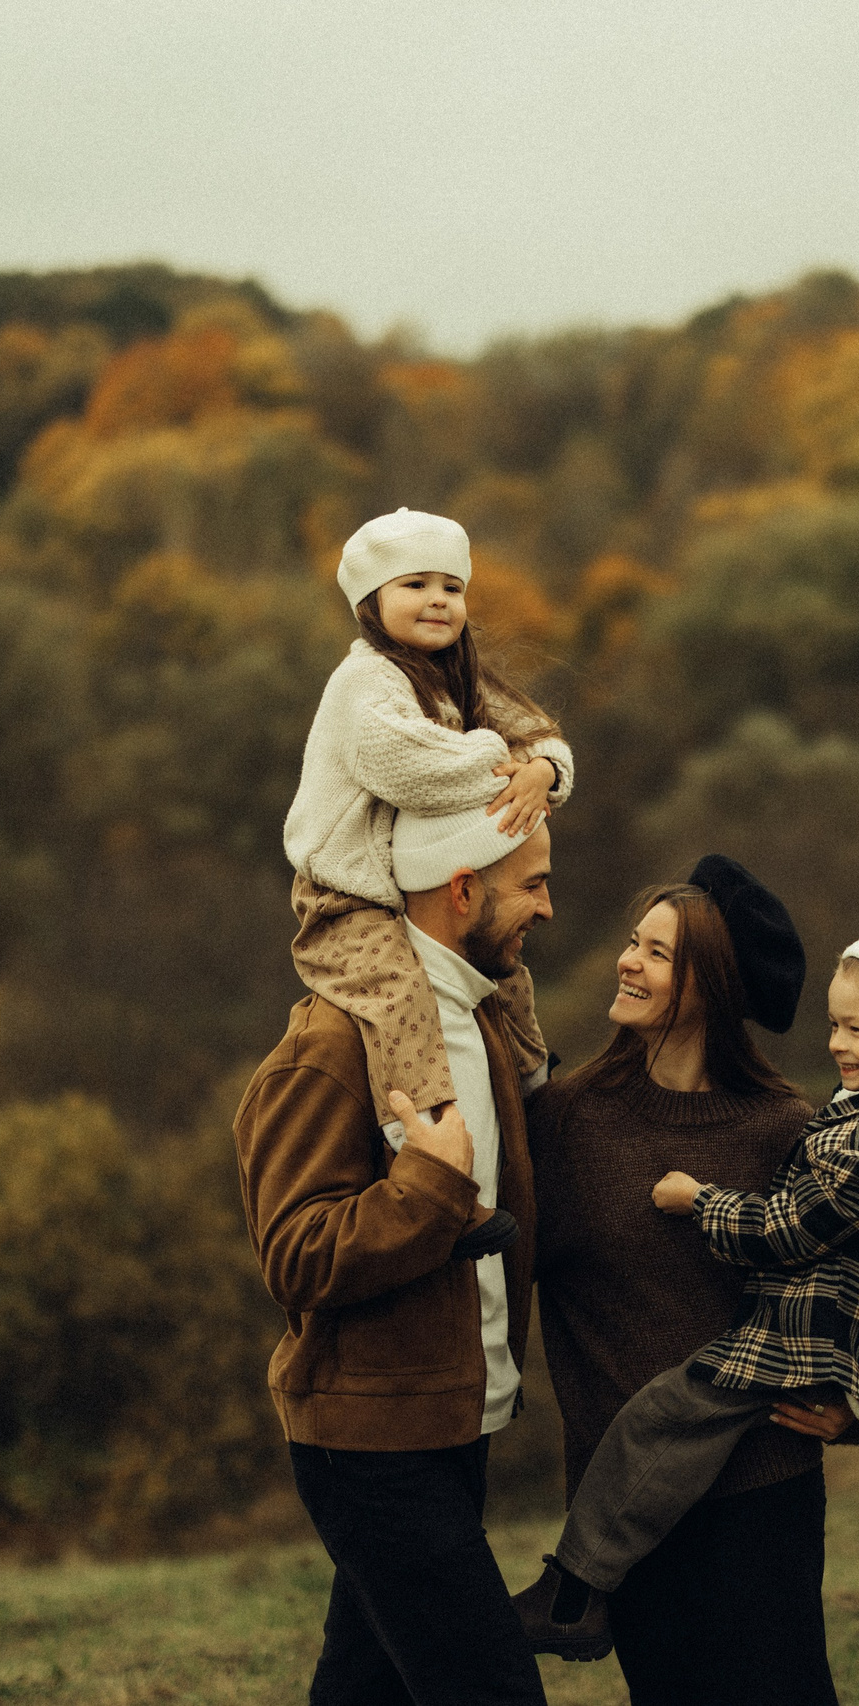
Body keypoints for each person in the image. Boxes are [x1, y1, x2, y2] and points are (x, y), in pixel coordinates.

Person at [515, 927, 859, 1663]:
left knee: (663, 1418)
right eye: (834, 1024)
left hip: (812, 1355)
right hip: (821, 1339)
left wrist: (701, 1201)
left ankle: (573, 1590)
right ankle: (577, 1591)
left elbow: (791, 1228)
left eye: (855, 1029)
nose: (836, 1043)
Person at [232, 800, 558, 1706]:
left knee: (365, 1688)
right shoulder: (330, 1045)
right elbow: (294, 1254)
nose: (547, 906)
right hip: (371, 1444)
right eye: (533, 884)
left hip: (453, 1422)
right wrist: (428, 1187)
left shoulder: (480, 1019)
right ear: (463, 889)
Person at [524, 856, 846, 1702]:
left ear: (712, 985)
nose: (627, 960)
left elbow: (855, 1288)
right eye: (634, 941)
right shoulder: (565, 1120)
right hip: (625, 1507)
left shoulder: (783, 1127)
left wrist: (856, 1407)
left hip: (763, 1488)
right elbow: (497, 1264)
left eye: (657, 952)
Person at [281, 506, 573, 1248]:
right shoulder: (363, 682)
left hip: (404, 886)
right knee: (398, 999)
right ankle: (436, 1162)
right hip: (345, 897)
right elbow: (404, 765)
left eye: (452, 586)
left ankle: (536, 1100)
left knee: (507, 980)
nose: (438, 600)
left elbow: (541, 734)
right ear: (371, 602)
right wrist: (500, 762)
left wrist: (543, 768)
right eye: (415, 584)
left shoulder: (454, 678)